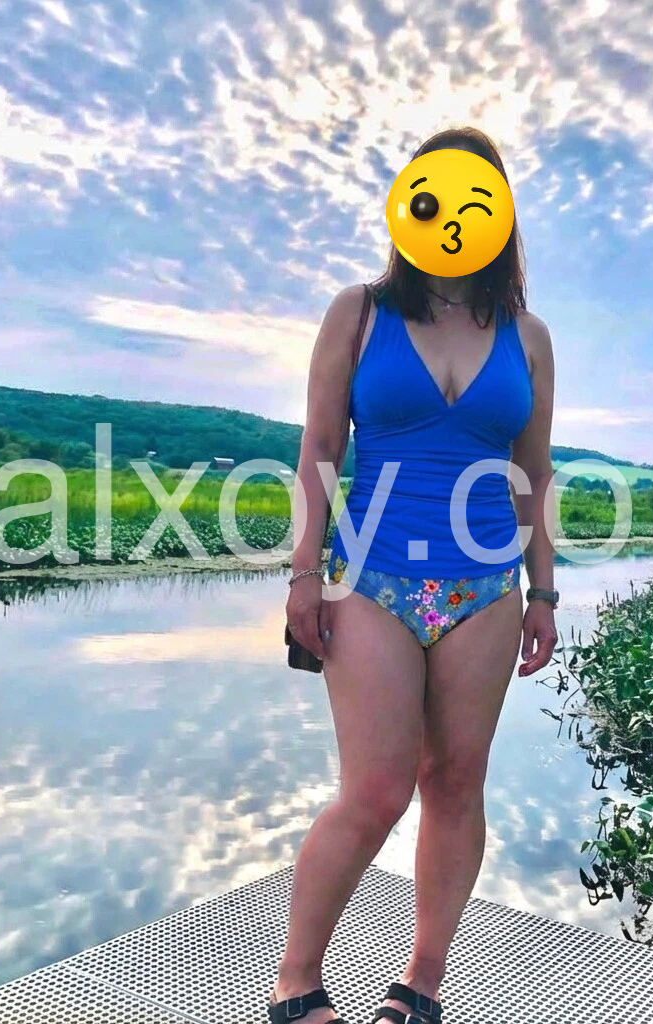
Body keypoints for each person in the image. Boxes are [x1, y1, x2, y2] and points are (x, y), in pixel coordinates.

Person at [270, 126, 557, 1024]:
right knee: (375, 791)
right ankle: (295, 983)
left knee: (457, 784)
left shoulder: (528, 337)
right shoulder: (359, 313)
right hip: (372, 579)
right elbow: (321, 447)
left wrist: (544, 592)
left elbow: (534, 474)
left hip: (486, 589)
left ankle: (420, 985)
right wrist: (303, 573)